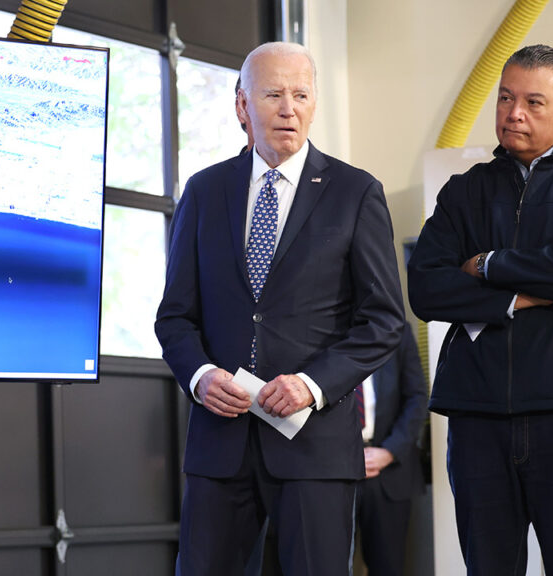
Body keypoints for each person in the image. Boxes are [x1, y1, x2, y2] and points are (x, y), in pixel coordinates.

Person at [155, 41, 404, 576]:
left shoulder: (356, 193)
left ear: (314, 104)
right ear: (242, 104)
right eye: (272, 94)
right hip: (220, 446)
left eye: (301, 94)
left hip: (314, 447)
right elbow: (174, 316)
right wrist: (198, 376)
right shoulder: (203, 191)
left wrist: (311, 385)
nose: (288, 108)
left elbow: (384, 320)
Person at [408, 44, 553, 574]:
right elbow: (426, 289)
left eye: (533, 101)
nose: (514, 113)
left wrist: (487, 265)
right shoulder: (463, 191)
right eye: (506, 98)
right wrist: (521, 295)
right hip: (478, 414)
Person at [354, 326, 427, 576]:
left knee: (389, 566)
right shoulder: (319, 328)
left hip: (388, 470)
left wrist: (390, 452)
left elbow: (417, 398)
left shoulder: (397, 333)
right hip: (333, 470)